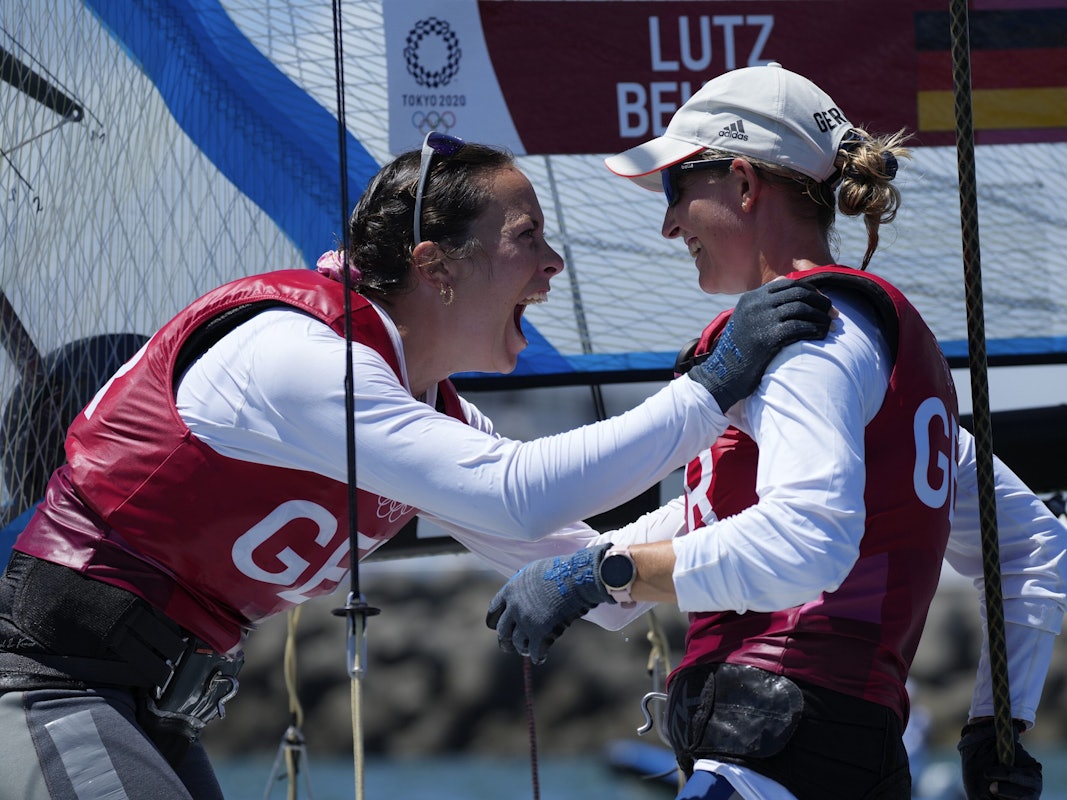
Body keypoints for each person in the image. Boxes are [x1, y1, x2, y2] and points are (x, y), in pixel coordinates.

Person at [0, 132, 834, 799]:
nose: (554, 265)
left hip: (142, 706)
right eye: (527, 239)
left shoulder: (424, 411)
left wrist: (760, 520)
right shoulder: (300, 356)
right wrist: (712, 386)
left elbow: (577, 571)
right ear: (436, 266)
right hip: (47, 679)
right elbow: (516, 496)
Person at [486, 63, 1065, 800]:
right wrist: (995, 729)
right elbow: (1032, 548)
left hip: (770, 746)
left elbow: (806, 538)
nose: (667, 225)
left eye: (674, 190)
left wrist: (606, 573)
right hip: (851, 758)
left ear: (743, 183)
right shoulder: (882, 352)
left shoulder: (803, 342)